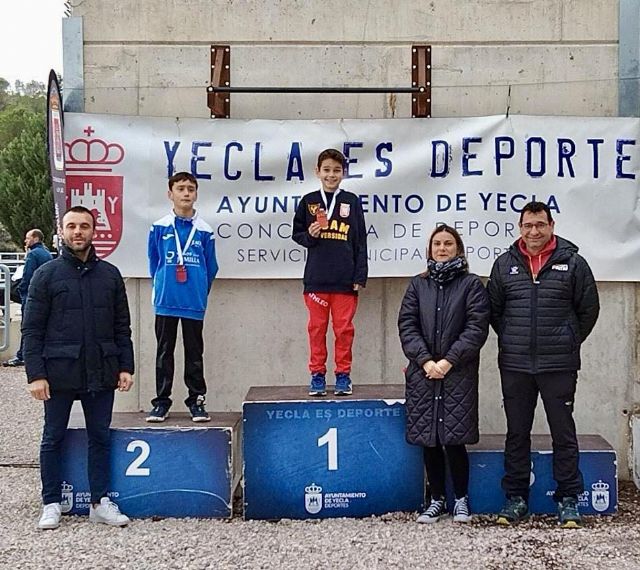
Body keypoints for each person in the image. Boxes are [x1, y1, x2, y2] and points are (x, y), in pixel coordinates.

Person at [487, 201, 599, 528]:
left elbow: (588, 310)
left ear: (551, 226)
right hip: (516, 364)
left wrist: (567, 339)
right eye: (528, 225)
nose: (534, 231)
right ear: (520, 228)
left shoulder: (574, 263)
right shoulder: (504, 264)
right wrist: (514, 337)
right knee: (516, 433)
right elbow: (494, 311)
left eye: (540, 224)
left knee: (563, 432)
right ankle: (516, 498)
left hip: (558, 364)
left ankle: (568, 498)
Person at [23, 206, 134, 530]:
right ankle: (51, 503)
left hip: (101, 370)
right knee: (53, 437)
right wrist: (36, 374)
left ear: (94, 231)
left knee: (100, 437)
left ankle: (100, 503)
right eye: (71, 226)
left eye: (84, 226)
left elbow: (122, 327)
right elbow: (32, 329)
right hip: (59, 372)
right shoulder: (46, 274)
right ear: (61, 230)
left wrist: (125, 366)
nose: (77, 232)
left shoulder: (110, 275)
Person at [398, 224, 489, 523]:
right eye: (437, 243)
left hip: (457, 373)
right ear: (430, 249)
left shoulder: (471, 285)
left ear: (458, 249)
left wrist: (449, 361)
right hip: (423, 374)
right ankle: (436, 498)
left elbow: (476, 328)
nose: (442, 248)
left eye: (448, 243)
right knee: (430, 439)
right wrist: (426, 361)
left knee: (454, 438)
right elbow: (407, 326)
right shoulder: (417, 285)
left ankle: (461, 499)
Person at [292, 148, 368, 397]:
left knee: (344, 330)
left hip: (345, 281)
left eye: (336, 170)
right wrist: (310, 235)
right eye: (326, 170)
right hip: (316, 280)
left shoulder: (351, 201)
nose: (331, 175)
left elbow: (360, 241)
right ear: (317, 172)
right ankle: (317, 375)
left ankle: (343, 375)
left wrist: (359, 276)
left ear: (343, 173)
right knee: (316, 329)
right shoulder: (309, 201)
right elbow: (297, 234)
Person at [146, 171, 218, 423]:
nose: (186, 193)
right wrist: (162, 286)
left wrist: (199, 292)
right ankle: (161, 402)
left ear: (196, 194)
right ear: (170, 194)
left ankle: (196, 400)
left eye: (191, 189)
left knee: (194, 353)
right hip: (166, 301)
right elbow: (154, 262)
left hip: (193, 302)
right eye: (181, 188)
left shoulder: (205, 230)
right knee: (164, 352)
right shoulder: (159, 227)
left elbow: (211, 267)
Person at [3, 229, 52, 367]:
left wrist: (21, 290)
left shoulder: (33, 254)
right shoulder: (47, 253)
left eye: (28, 238)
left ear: (35, 238)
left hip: (31, 295)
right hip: (45, 295)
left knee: (27, 327)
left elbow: (27, 275)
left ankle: (22, 356)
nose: (25, 240)